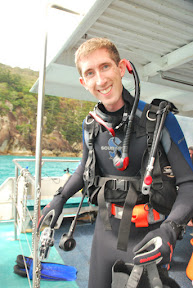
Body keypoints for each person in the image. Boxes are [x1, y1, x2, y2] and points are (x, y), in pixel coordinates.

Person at [38, 38, 193, 288]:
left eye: (105, 67)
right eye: (90, 73)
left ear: (121, 68)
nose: (100, 80)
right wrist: (60, 197)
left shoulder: (159, 120)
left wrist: (170, 229)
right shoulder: (90, 126)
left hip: (149, 235)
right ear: (83, 82)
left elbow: (189, 183)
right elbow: (83, 169)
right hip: (104, 232)